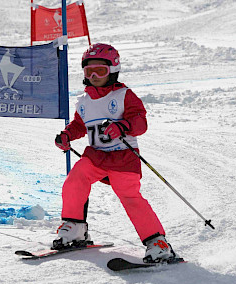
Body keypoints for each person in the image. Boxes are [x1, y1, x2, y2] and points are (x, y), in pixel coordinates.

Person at [54, 43, 175, 263]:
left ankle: (158, 243)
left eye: (99, 70)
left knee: (129, 196)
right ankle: (76, 228)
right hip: (97, 156)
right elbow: (80, 125)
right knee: (75, 180)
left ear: (113, 70)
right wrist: (67, 135)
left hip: (123, 158)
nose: (93, 75)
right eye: (88, 71)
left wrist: (123, 126)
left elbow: (140, 122)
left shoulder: (123, 95)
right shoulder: (84, 101)